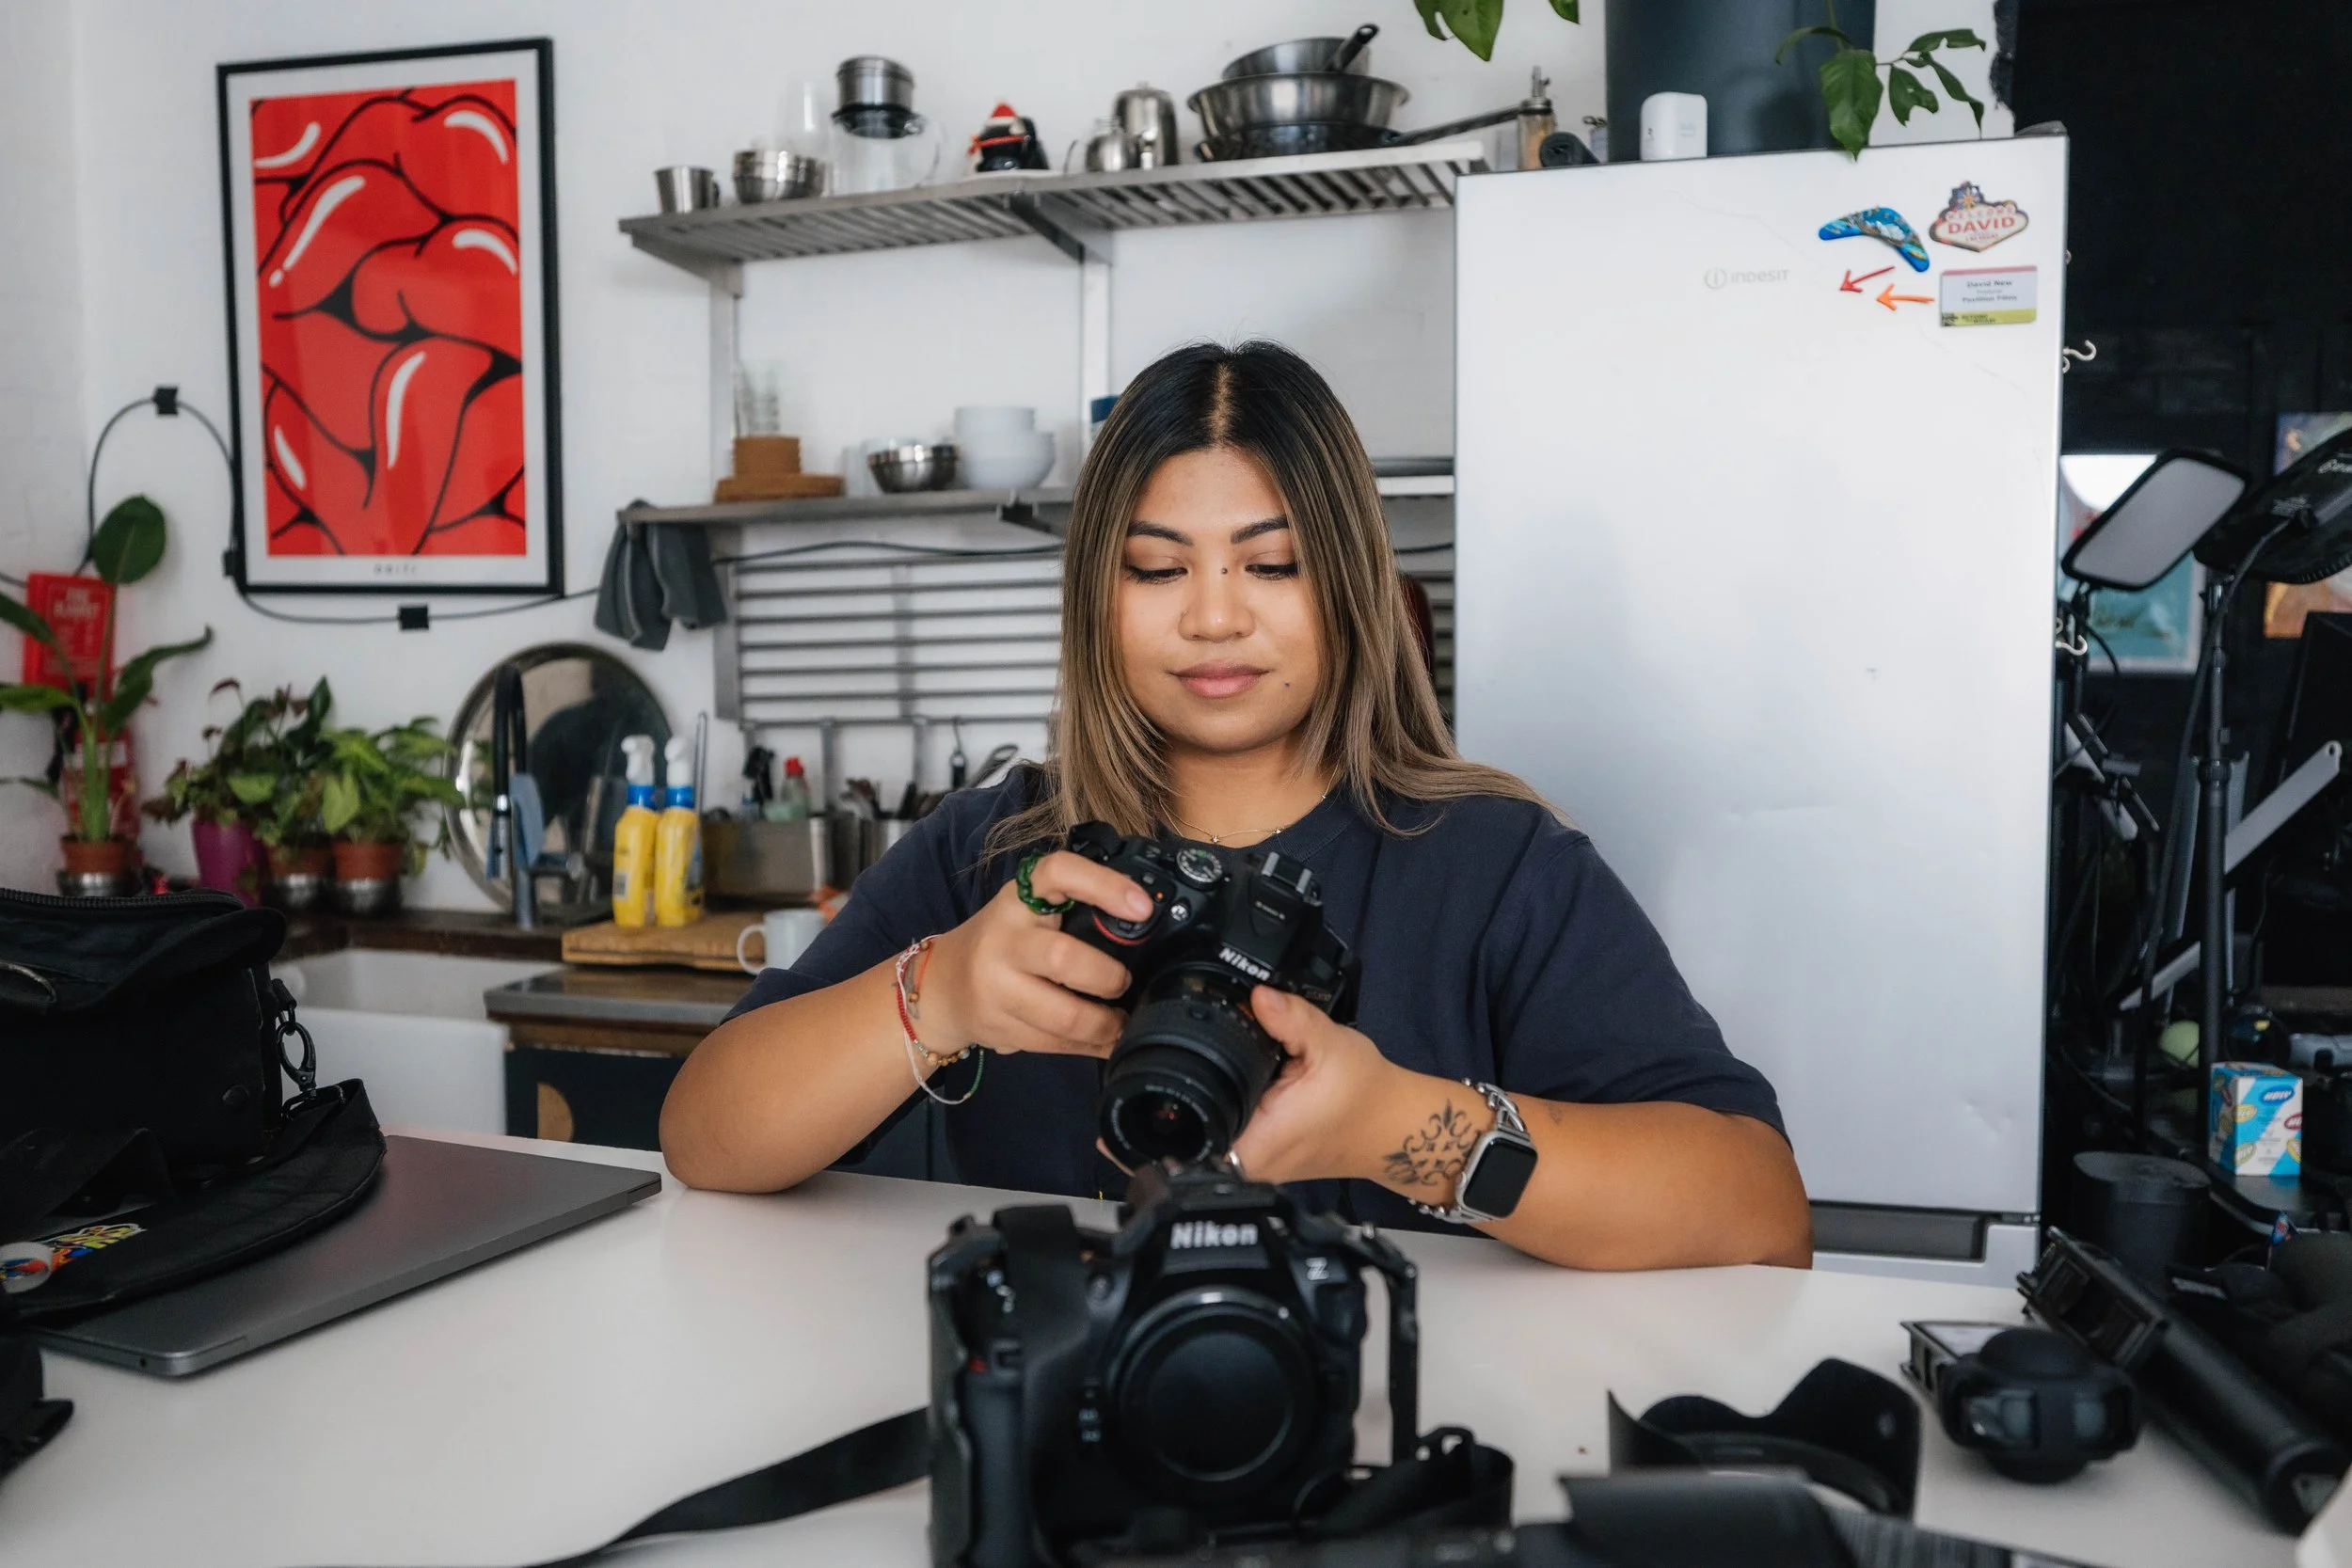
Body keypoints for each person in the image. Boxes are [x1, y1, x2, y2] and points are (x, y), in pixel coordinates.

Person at [661, 341, 1811, 1270]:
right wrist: (938, 991)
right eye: (1157, 570)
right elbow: (705, 1137)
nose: (1213, 619)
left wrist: (1403, 1129)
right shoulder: (999, 853)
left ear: (1352, 588)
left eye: (1272, 564)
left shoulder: (1495, 865)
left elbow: (1757, 1211)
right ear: (1095, 597)